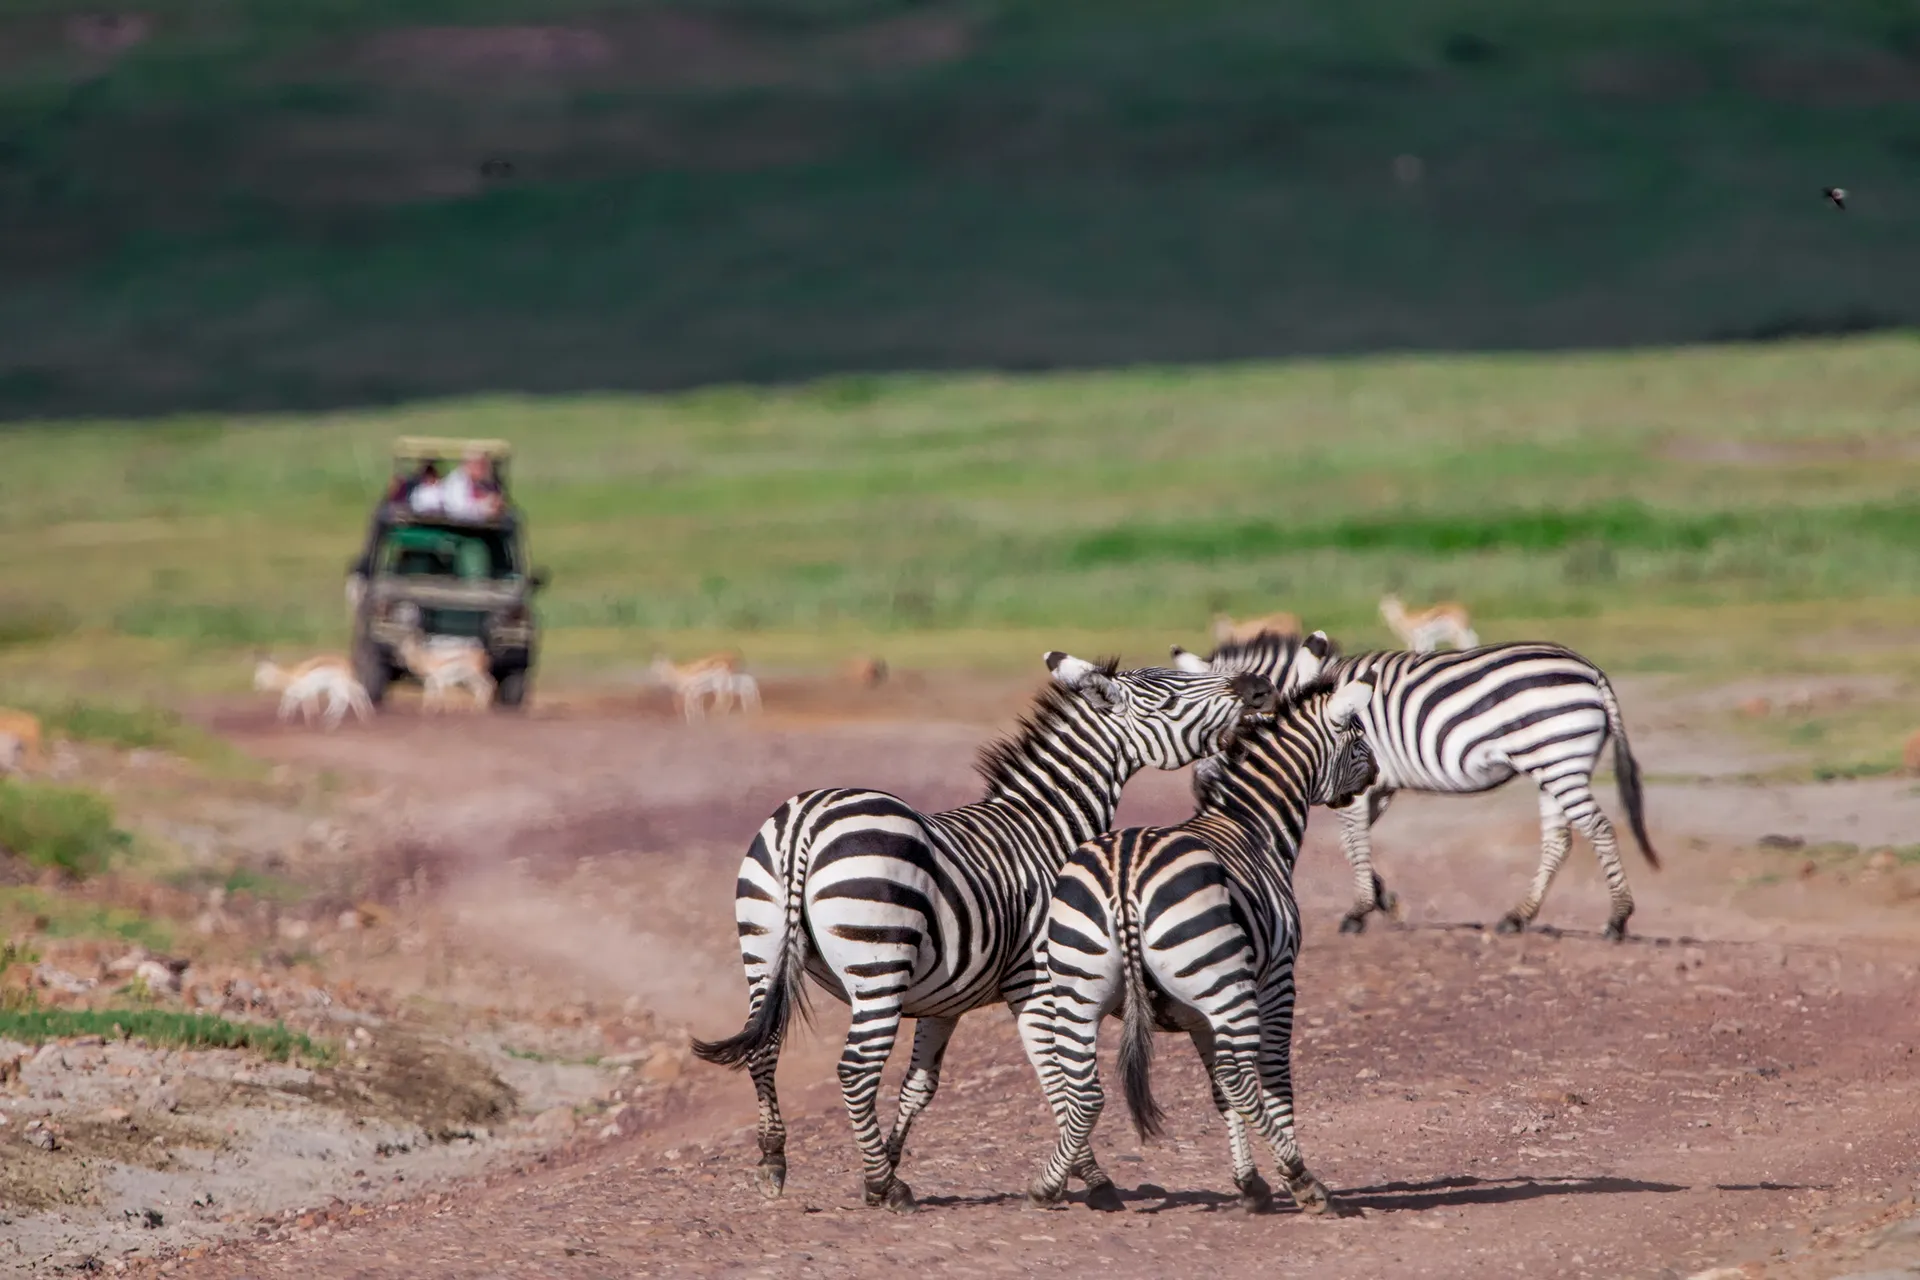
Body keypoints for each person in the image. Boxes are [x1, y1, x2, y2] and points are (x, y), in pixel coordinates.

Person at [433, 448, 504, 521]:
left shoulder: (483, 482)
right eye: (481, 465)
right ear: (470, 464)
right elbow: (457, 511)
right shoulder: (456, 482)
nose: (486, 469)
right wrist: (484, 508)